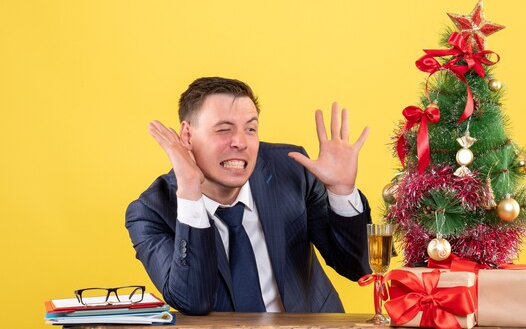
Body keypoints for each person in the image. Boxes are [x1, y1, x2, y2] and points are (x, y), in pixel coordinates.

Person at [125, 77, 372, 315]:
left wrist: (341, 191)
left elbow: (357, 267)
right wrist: (189, 189)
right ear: (187, 136)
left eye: (250, 129)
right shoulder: (151, 211)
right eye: (223, 130)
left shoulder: (292, 170)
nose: (240, 142)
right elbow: (192, 301)